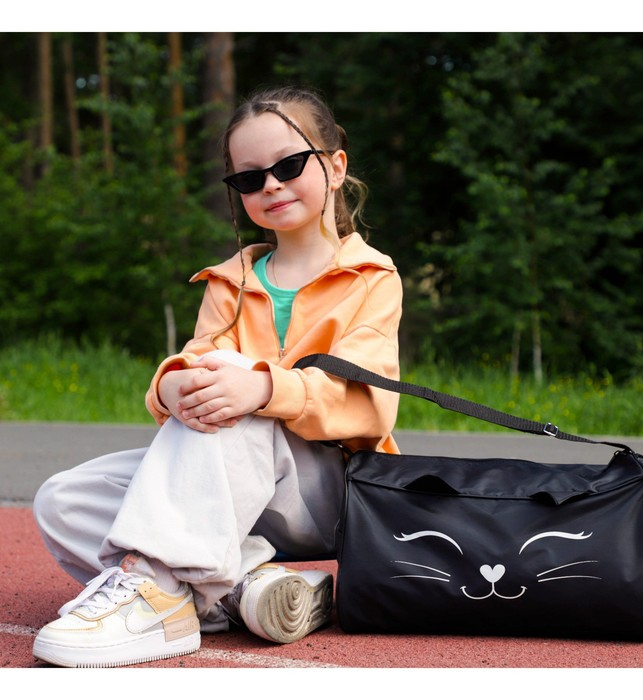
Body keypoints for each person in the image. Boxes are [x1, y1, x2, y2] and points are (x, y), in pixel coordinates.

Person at [31, 85, 403, 668]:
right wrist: (170, 386)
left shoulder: (372, 278)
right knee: (64, 499)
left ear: (335, 167)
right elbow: (196, 362)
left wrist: (263, 387)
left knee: (232, 378)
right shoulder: (229, 282)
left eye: (288, 166)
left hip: (331, 493)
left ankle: (159, 594)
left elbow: (369, 405)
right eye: (250, 178)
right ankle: (245, 586)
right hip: (233, 488)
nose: (271, 185)